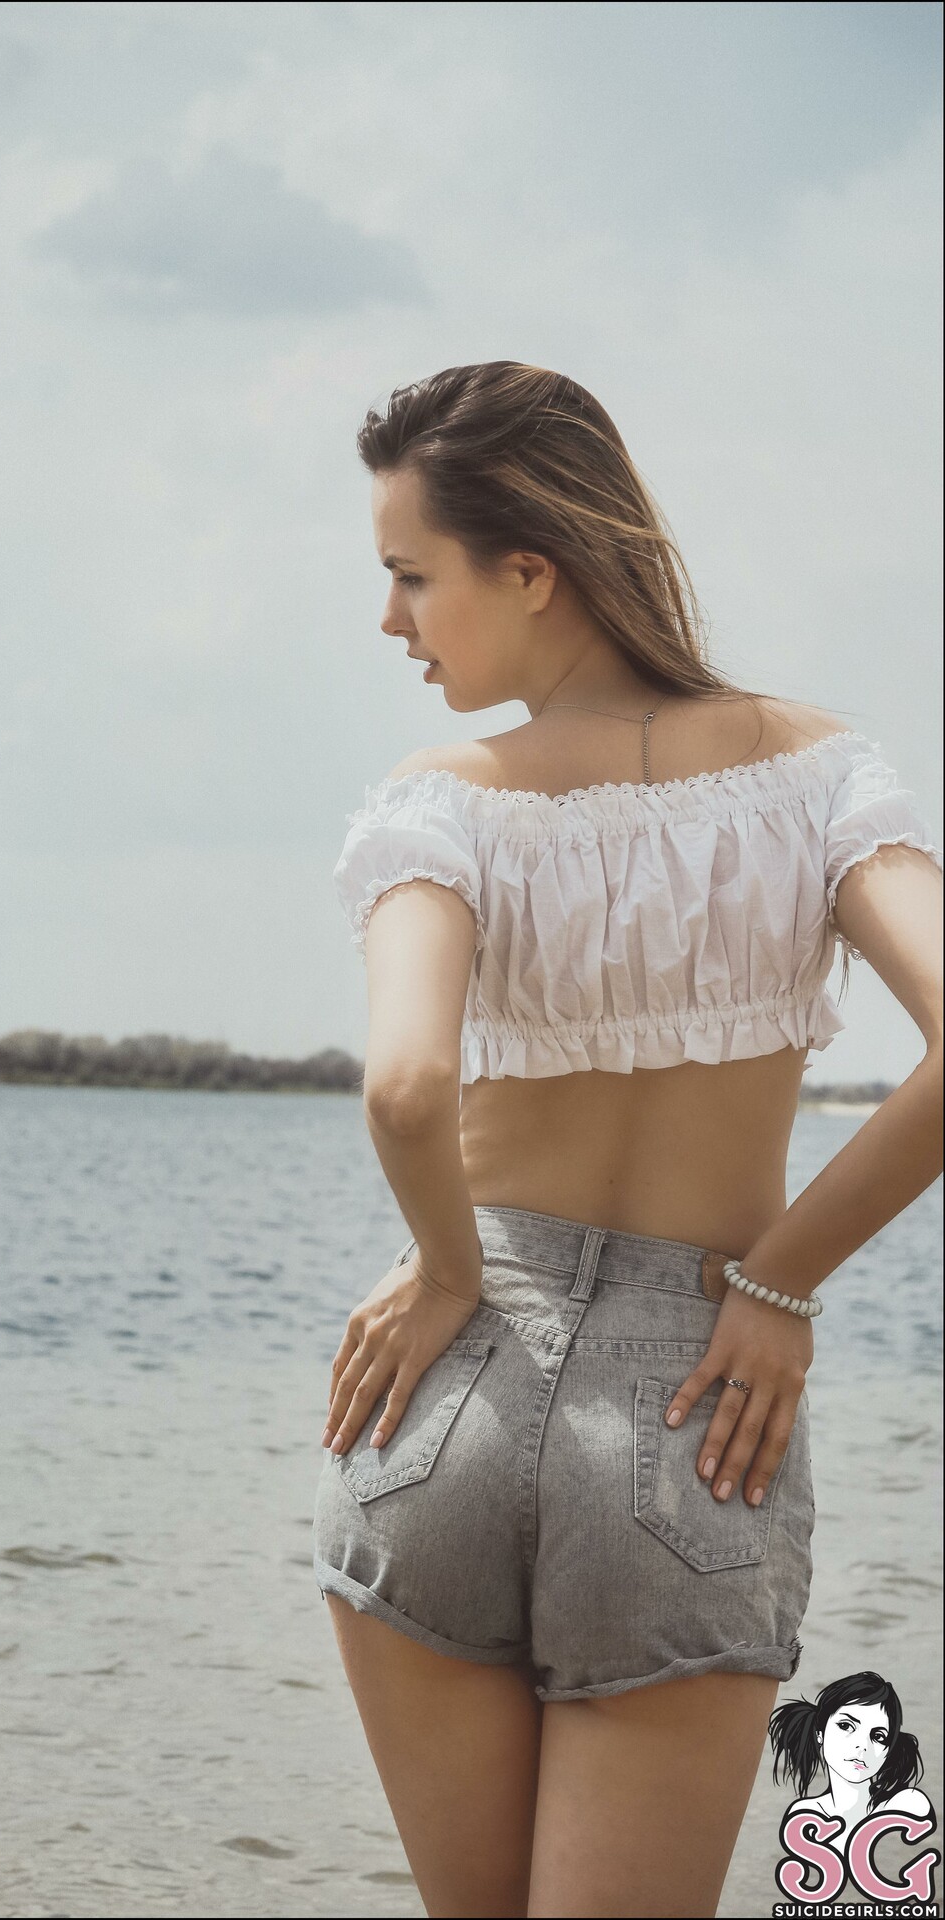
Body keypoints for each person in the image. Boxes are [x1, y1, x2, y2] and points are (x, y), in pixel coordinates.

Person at [311, 362, 943, 1919]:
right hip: (695, 1404)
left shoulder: (442, 803)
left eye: (412, 575)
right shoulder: (819, 772)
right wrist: (779, 1285)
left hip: (446, 1397)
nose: (391, 619)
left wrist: (447, 1272)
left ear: (531, 571)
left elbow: (406, 1086)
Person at [770, 1670, 931, 1850]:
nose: (862, 1746)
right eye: (846, 1726)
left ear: (888, 1751)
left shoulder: (907, 1805)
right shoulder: (805, 1815)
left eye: (878, 1736)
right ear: (819, 1733)